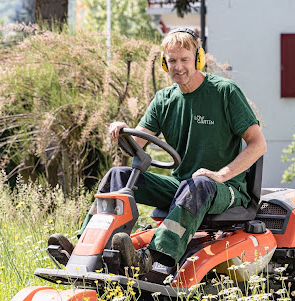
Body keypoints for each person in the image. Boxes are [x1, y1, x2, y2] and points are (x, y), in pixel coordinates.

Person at [49, 27, 267, 274]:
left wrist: (221, 175)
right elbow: (137, 145)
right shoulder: (164, 100)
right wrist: (122, 131)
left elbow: (258, 144)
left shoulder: (224, 92)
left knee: (199, 185)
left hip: (225, 190)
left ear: (198, 59)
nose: (179, 67)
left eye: (185, 59)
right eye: (172, 61)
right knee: (117, 177)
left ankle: (152, 258)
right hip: (184, 187)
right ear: (165, 63)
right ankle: (85, 250)